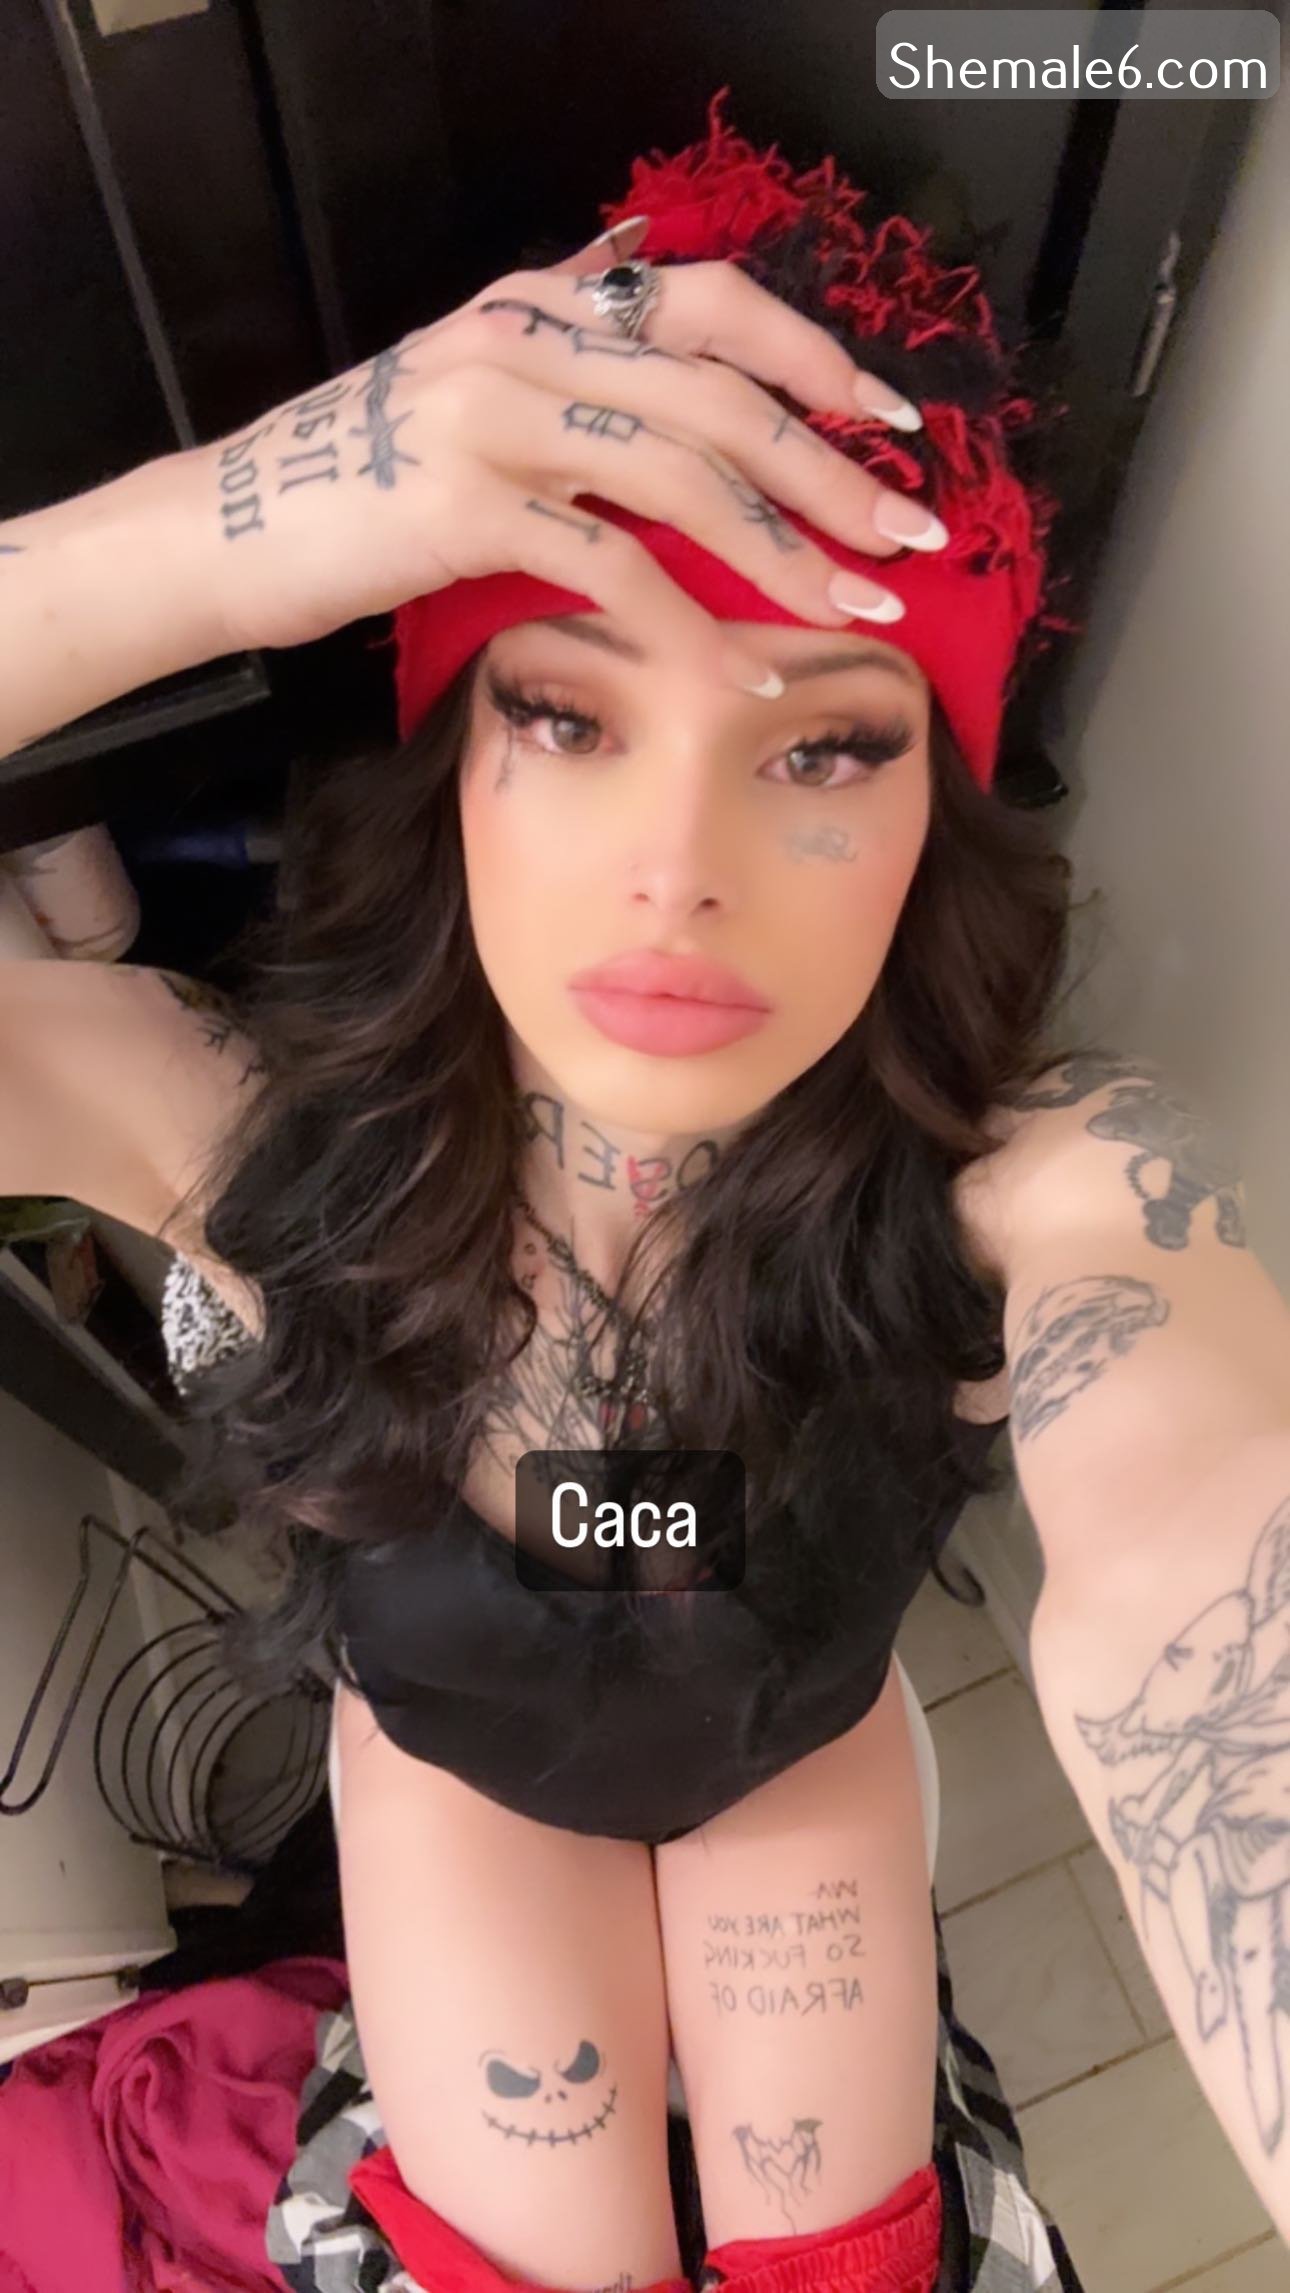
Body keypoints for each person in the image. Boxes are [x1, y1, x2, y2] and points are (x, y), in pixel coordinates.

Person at [3, 85, 1288, 2292]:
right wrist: (209, 538)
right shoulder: (222, 1122)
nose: (677, 868)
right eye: (569, 716)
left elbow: (1211, 1542)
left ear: (935, 811)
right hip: (460, 1768)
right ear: (452, 759)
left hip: (785, 1750)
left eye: (824, 743)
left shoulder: (1044, 1190)